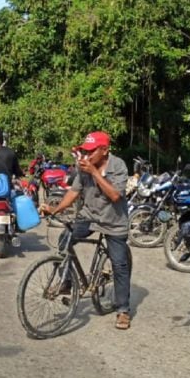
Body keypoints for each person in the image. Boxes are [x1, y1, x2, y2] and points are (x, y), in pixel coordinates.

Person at [40, 131, 134, 330]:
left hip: (114, 221)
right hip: (89, 216)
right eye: (85, 150)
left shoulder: (118, 166)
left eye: (91, 151)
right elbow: (74, 192)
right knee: (65, 238)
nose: (87, 155)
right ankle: (66, 281)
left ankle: (123, 310)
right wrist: (55, 209)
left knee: (119, 264)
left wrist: (93, 172)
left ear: (105, 150)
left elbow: (115, 196)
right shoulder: (83, 168)